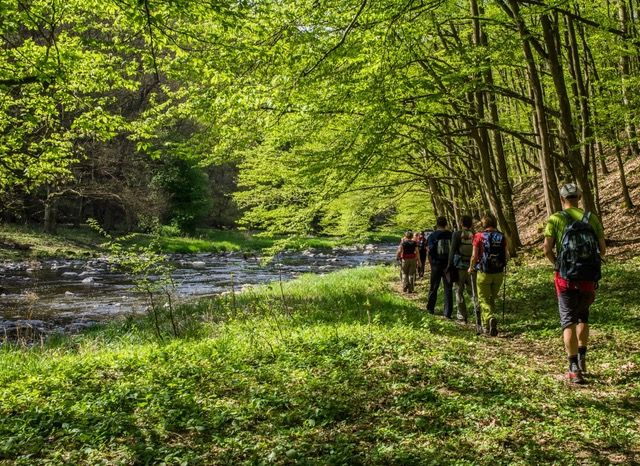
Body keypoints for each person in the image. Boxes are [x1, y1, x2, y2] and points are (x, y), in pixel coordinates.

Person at [543, 183, 606, 384]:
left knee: (568, 320)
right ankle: (582, 357)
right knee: (583, 317)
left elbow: (547, 249)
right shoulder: (591, 218)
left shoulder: (555, 219)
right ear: (579, 197)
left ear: (562, 199)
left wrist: (558, 264)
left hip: (565, 278)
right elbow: (602, 250)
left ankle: (572, 367)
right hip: (588, 278)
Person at [468, 213, 508, 336]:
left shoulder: (478, 236)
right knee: (491, 298)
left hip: (483, 272)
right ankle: (487, 326)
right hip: (498, 273)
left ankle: (490, 318)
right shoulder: (502, 236)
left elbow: (474, 256)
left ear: (483, 224)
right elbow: (506, 255)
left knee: (483, 299)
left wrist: (471, 267)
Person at [449, 215, 479, 328]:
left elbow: (452, 251)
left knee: (458, 291)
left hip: (460, 267)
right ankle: (478, 315)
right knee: (474, 293)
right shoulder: (475, 234)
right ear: (471, 223)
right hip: (472, 267)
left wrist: (450, 265)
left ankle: (462, 317)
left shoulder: (456, 234)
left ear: (461, 223)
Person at [426, 217, 453, 318]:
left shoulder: (433, 236)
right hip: (448, 266)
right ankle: (448, 313)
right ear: (446, 224)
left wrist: (431, 264)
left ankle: (430, 309)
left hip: (436, 265)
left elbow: (429, 251)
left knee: (433, 287)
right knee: (448, 288)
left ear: (437, 224)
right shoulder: (451, 235)